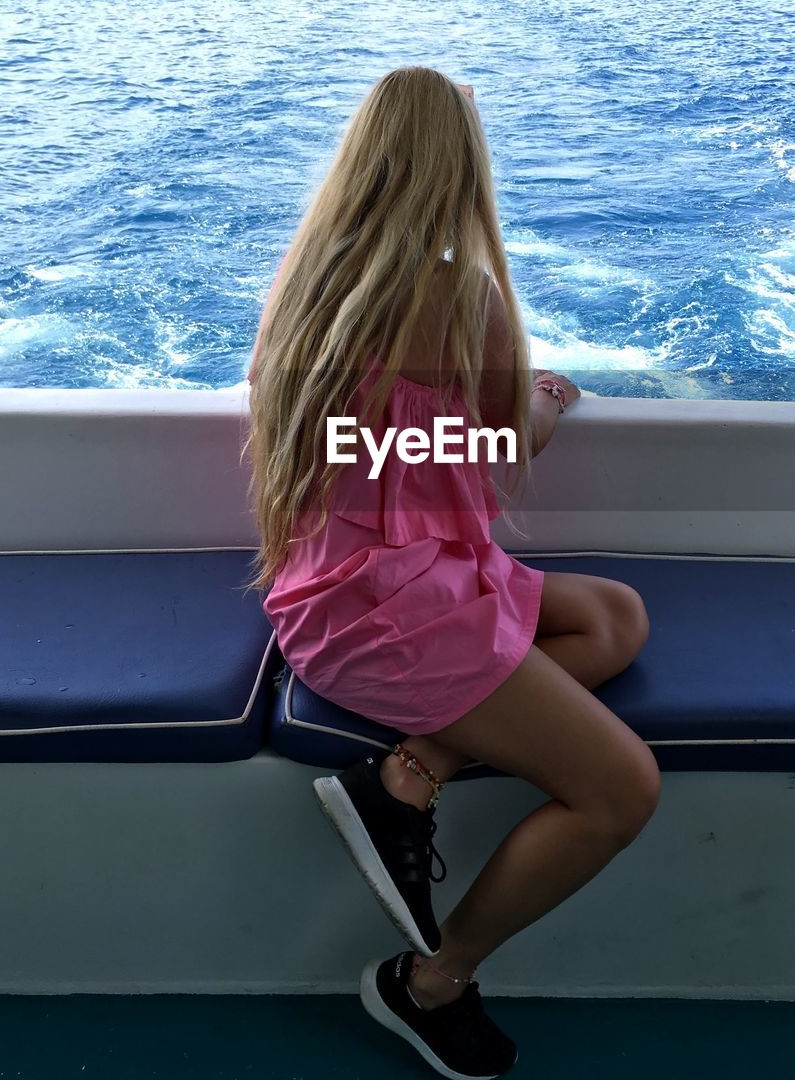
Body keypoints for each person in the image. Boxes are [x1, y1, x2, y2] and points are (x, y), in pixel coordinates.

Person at [243, 66, 658, 1080]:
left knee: (615, 617)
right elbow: (515, 438)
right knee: (621, 791)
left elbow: (388, 450)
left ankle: (407, 773)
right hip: (396, 616)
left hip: (346, 588)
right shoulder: (459, 298)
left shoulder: (309, 284)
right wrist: (551, 395)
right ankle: (430, 981)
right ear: (459, 174)